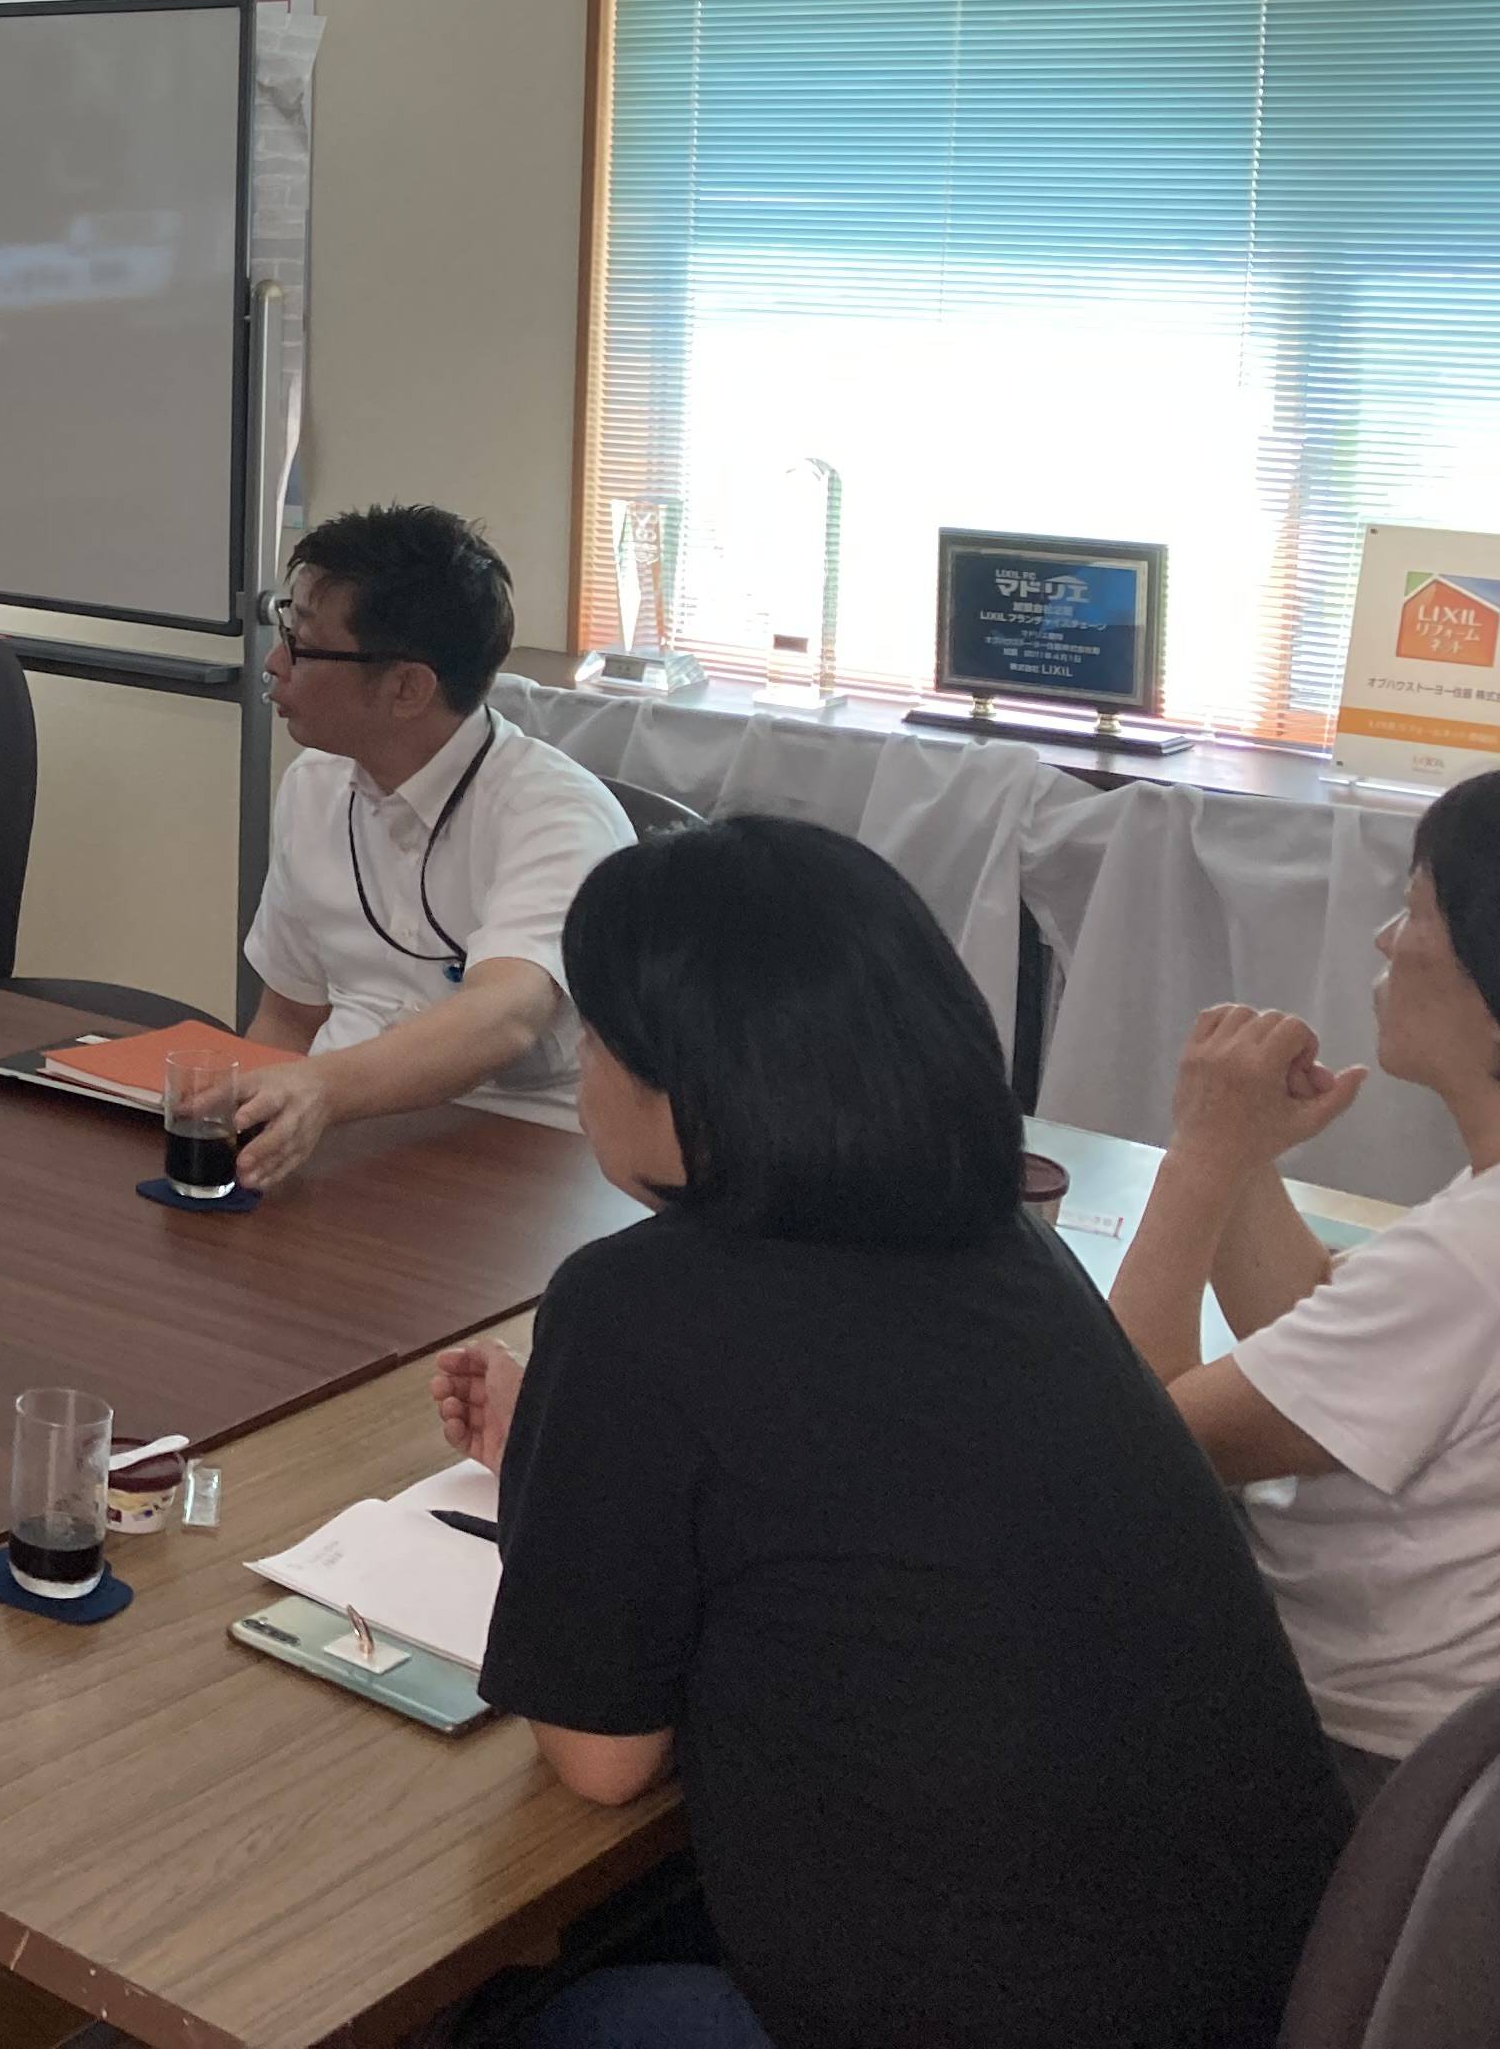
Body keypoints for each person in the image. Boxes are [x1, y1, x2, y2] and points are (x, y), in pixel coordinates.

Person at [437, 817, 1350, 2049]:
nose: (586, 1069)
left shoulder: (635, 1303)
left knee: (541, 2009)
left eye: (596, 1039)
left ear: (690, 1082)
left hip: (993, 2006)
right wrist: (567, 1457)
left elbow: (603, 1759)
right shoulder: (1013, 1251)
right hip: (1260, 1989)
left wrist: (557, 1499)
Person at [1109, 769, 1500, 1803]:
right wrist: (1245, 1158)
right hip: (1448, 1768)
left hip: (1363, 1774)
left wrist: (1198, 1158)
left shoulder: (1470, 1261)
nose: (1386, 941)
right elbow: (1327, 1357)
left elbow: (1135, 1448)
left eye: (1415, 910)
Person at [228, 505, 634, 1187]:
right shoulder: (313, 785)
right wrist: (241, 1142)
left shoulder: (554, 814)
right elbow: (289, 1015)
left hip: (519, 1168)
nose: (274, 663)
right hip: (348, 1150)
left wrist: (323, 1090)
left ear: (408, 687)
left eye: (301, 644)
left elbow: (505, 1016)